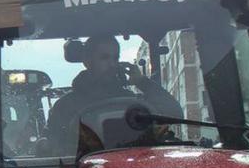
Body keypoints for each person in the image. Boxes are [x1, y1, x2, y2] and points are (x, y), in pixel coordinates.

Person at [45, 36, 181, 145]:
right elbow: (54, 149)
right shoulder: (65, 106)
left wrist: (142, 82)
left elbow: (175, 114)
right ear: (87, 61)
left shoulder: (133, 103)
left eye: (115, 58)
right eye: (104, 58)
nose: (112, 64)